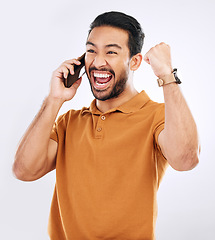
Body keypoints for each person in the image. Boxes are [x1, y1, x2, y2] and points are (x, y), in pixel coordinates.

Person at [13, 11, 200, 240]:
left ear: (135, 61)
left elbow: (186, 160)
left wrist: (167, 75)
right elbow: (24, 170)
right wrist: (54, 99)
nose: (98, 62)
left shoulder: (157, 116)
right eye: (91, 50)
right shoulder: (69, 122)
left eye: (111, 52)